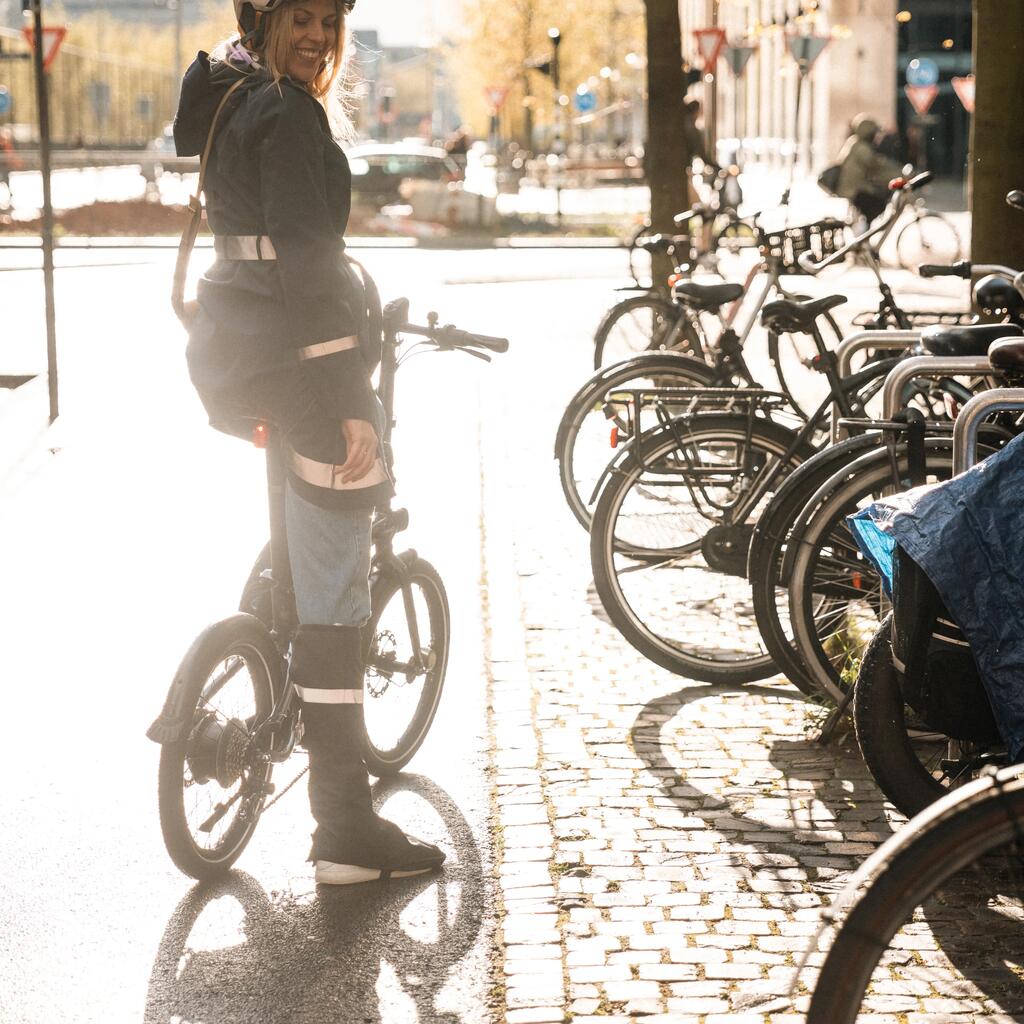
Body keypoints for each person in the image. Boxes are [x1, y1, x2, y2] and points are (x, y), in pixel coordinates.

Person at [172, 0, 445, 885]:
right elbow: (305, 253)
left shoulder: (228, 90)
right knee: (337, 589)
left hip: (234, 357)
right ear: (264, 18)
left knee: (307, 553)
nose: (319, 36)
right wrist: (350, 394)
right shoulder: (285, 111)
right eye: (299, 17)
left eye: (330, 19)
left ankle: (267, 632)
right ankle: (344, 834)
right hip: (293, 365)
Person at [835, 113, 902, 226]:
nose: (877, 137)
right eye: (875, 134)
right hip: (854, 190)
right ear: (869, 133)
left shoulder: (855, 143)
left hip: (853, 187)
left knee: (876, 198)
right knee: (879, 204)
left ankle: (865, 232)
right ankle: (864, 233)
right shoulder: (862, 148)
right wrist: (899, 172)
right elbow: (877, 165)